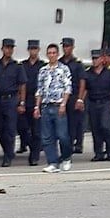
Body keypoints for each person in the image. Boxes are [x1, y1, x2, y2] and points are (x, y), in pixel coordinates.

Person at [34, 43, 73, 173]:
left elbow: (67, 88)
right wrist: (37, 107)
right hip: (45, 106)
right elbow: (40, 90)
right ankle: (53, 162)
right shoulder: (43, 70)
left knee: (62, 135)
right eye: (49, 53)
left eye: (54, 53)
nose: (51, 55)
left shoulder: (64, 69)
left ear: (57, 54)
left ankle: (66, 157)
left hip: (58, 105)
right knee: (47, 137)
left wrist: (63, 104)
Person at [77, 49, 110, 161]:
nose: (95, 61)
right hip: (93, 103)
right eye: (93, 59)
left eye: (97, 58)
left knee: (105, 126)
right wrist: (80, 100)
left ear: (102, 59)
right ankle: (98, 153)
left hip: (105, 102)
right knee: (95, 129)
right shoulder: (88, 73)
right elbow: (85, 89)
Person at [0, 38, 27, 167]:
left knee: (10, 129)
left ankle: (8, 156)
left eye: (11, 48)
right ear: (2, 49)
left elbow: (22, 85)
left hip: (11, 99)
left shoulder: (17, 66)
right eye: (7, 48)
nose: (9, 50)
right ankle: (7, 150)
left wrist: (21, 102)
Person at [20, 40, 45, 166]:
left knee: (36, 130)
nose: (33, 51)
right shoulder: (23, 65)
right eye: (31, 49)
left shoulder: (43, 66)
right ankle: (32, 147)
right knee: (23, 128)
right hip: (26, 98)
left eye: (35, 49)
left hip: (38, 99)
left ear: (38, 50)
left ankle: (34, 156)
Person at [59, 37, 86, 153]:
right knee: (61, 124)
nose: (66, 48)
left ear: (73, 47)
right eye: (64, 46)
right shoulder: (59, 62)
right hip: (60, 96)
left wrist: (80, 99)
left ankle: (70, 147)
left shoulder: (78, 64)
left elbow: (82, 82)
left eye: (68, 46)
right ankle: (64, 146)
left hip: (73, 96)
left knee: (72, 124)